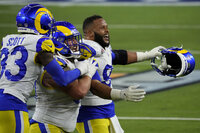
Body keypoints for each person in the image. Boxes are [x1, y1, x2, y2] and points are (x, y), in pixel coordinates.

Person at [0, 4, 91, 133]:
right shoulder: (41, 42)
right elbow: (63, 79)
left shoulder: (8, 40)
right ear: (41, 23)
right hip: (12, 102)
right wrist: (81, 69)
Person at [76, 15, 166, 133]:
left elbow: (119, 56)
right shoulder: (85, 53)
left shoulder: (101, 48)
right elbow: (94, 86)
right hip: (91, 113)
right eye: (102, 28)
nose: (107, 30)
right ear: (89, 33)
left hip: (107, 110)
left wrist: (147, 55)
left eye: (107, 27)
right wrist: (121, 94)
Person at [29, 21, 99, 133]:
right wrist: (86, 72)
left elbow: (96, 86)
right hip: (46, 127)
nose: (75, 43)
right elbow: (78, 92)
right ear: (57, 42)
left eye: (75, 39)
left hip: (56, 128)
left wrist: (118, 93)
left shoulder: (73, 60)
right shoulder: (55, 63)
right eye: (70, 40)